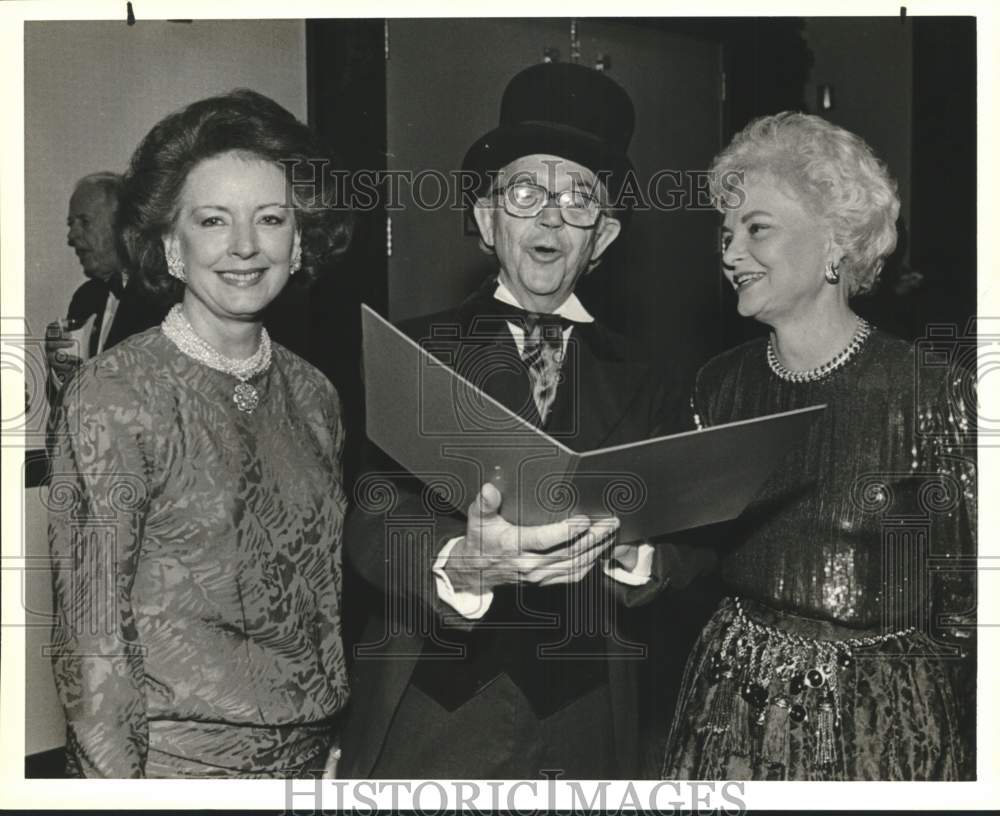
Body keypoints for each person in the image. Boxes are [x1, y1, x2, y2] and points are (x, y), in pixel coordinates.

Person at [339, 62, 698, 779]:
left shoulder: (653, 378)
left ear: (601, 239)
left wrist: (639, 556)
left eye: (579, 199)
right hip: (436, 709)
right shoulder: (408, 351)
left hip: (590, 716)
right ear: (485, 218)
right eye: (527, 191)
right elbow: (370, 519)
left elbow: (696, 536)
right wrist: (460, 561)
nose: (551, 218)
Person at [660, 112, 976, 781]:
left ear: (835, 242)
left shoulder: (931, 393)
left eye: (757, 228)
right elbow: (694, 550)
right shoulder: (719, 385)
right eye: (726, 231)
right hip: (729, 704)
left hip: (878, 723)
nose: (730, 251)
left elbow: (969, 604)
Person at [47, 89, 352, 778]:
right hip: (172, 767)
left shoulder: (315, 395)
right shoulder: (115, 395)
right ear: (169, 244)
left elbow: (321, 601)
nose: (245, 247)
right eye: (213, 221)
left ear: (299, 239)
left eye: (271, 219)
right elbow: (91, 642)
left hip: (312, 763)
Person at [45, 173, 165, 396]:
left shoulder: (161, 297)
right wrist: (58, 372)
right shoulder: (85, 298)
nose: (72, 235)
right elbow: (61, 406)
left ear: (122, 227)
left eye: (85, 222)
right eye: (71, 224)